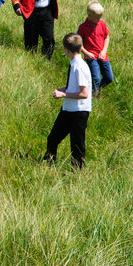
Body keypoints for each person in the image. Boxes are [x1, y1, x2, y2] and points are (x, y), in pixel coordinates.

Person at [42, 33, 92, 169]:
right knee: (53, 138)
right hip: (69, 109)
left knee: (77, 145)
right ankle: (49, 164)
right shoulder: (76, 64)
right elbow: (75, 87)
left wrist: (63, 94)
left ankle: (77, 173)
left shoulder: (79, 67)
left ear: (67, 50)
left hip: (79, 111)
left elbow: (84, 93)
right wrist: (63, 89)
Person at [77, 0, 114, 96]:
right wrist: (86, 53)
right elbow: (78, 43)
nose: (100, 19)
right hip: (91, 57)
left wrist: (104, 50)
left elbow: (107, 37)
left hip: (103, 55)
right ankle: (94, 97)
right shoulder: (83, 28)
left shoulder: (102, 24)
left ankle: (99, 89)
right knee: (96, 79)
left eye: (101, 17)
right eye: (97, 18)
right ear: (89, 16)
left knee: (109, 78)